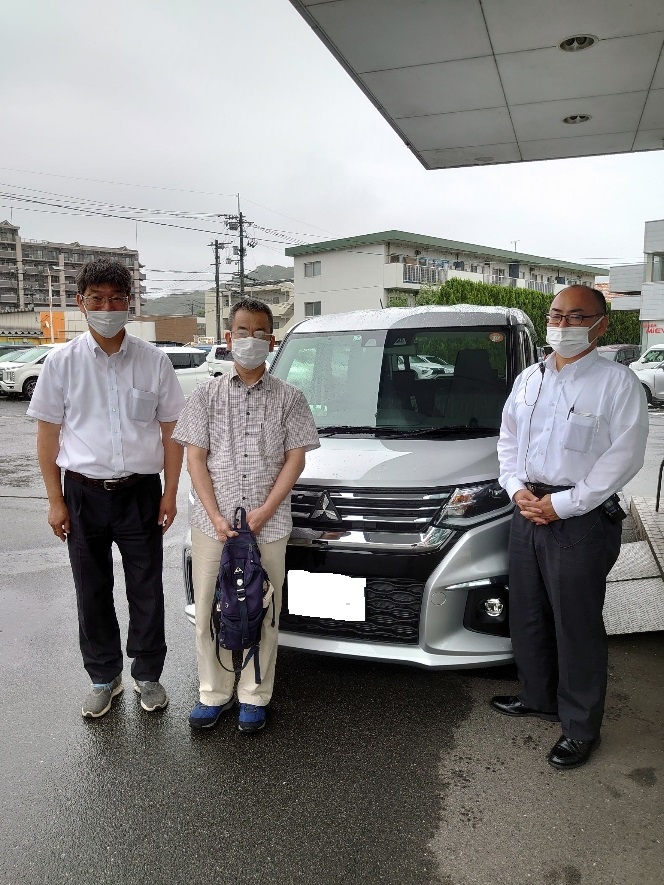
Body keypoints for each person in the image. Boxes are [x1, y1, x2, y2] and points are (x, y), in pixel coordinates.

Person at [492, 285, 648, 770]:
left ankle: (580, 727)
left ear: (601, 324)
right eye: (556, 315)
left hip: (580, 518)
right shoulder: (529, 379)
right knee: (528, 613)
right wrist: (515, 488)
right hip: (527, 509)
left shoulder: (616, 384)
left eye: (577, 317)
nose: (563, 325)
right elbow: (508, 439)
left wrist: (564, 505)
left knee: (576, 624)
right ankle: (537, 696)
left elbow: (624, 457)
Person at [27, 258, 185, 718]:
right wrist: (55, 501)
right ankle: (103, 677)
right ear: (81, 303)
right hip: (82, 494)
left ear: (129, 304)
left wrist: (170, 493)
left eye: (117, 299)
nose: (107, 308)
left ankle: (147, 674)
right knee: (91, 589)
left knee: (146, 587)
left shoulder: (154, 361)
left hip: (141, 492)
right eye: (97, 299)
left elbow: (172, 432)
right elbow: (48, 437)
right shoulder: (62, 363)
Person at [172, 297, 319, 734]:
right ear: (228, 336)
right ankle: (213, 692)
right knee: (209, 609)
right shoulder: (206, 395)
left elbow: (296, 459)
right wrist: (216, 516)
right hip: (210, 526)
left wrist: (265, 511)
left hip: (268, 527)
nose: (249, 339)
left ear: (271, 341)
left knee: (264, 609)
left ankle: (254, 694)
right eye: (242, 331)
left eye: (259, 332)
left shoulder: (290, 398)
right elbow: (195, 459)